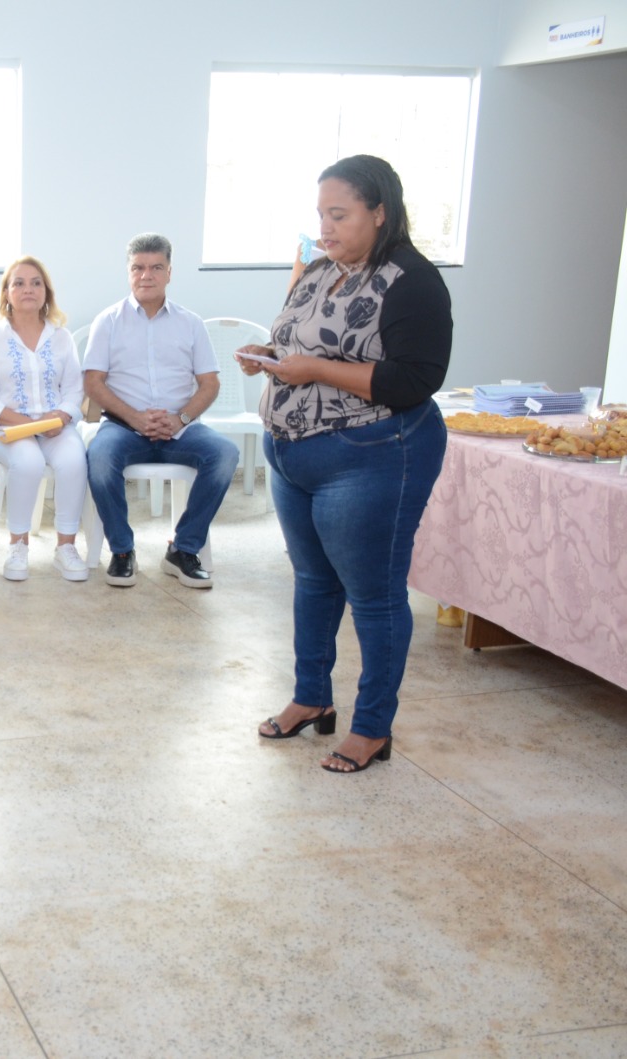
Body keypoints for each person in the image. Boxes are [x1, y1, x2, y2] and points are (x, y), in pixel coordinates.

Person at [243, 154, 451, 774]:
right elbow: (298, 340)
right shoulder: (319, 271)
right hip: (292, 454)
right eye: (320, 215)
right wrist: (271, 355)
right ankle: (311, 698)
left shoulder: (411, 279)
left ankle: (371, 728)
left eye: (340, 215)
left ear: (379, 211)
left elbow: (413, 379)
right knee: (311, 582)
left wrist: (312, 370)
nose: (325, 228)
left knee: (375, 597)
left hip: (371, 456)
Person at [82, 233, 240, 589]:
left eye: (155, 268)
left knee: (226, 454)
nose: (146, 275)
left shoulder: (191, 323)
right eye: (138, 268)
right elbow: (93, 383)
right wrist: (136, 418)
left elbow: (209, 384)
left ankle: (183, 549)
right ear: (128, 272)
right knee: (101, 460)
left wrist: (179, 419)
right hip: (123, 427)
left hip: (180, 428)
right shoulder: (107, 321)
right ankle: (122, 551)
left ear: (170, 272)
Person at [0, 256, 87, 582]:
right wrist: (21, 422)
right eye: (18, 283)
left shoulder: (61, 337)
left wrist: (60, 417)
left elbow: (74, 391)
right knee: (29, 461)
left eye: (36, 283)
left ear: (46, 292)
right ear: (6, 293)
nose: (28, 289)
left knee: (74, 459)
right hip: (5, 428)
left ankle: (65, 547)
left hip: (54, 426)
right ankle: (18, 544)